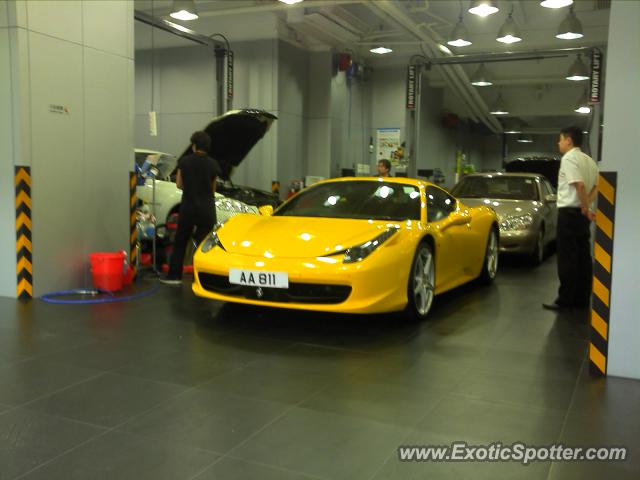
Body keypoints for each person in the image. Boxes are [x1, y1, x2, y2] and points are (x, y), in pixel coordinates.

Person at [543, 126, 598, 311]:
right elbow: (595, 186)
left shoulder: (569, 158)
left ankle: (565, 300)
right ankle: (581, 299)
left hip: (570, 214)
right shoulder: (589, 161)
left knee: (568, 258)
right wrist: (588, 207)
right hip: (582, 215)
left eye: (560, 139)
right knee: (583, 257)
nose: (558, 143)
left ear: (568, 140)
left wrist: (584, 206)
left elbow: (579, 186)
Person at [160, 131, 221, 285]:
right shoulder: (213, 164)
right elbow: (213, 189)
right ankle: (202, 279)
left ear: (194, 146)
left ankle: (174, 276)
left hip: (188, 207)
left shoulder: (185, 162)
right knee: (203, 245)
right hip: (207, 210)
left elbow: (179, 184)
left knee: (180, 241)